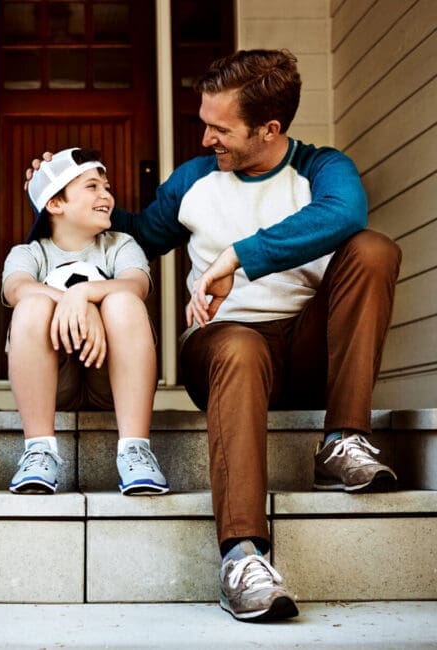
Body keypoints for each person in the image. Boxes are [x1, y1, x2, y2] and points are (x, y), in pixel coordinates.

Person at [26, 49, 400, 622]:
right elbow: (136, 233)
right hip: (222, 347)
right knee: (239, 345)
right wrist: (64, 196)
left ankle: (343, 439)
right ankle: (243, 557)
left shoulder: (324, 170)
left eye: (220, 128)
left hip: (307, 350)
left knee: (373, 249)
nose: (205, 139)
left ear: (269, 128)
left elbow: (346, 215)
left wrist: (239, 257)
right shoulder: (194, 181)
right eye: (205, 122)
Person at [2, 147, 169, 497]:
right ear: (55, 204)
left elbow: (136, 284)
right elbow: (17, 289)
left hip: (111, 380)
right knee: (32, 305)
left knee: (124, 301)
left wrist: (85, 295)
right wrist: (75, 302)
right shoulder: (29, 253)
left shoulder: (120, 245)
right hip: (54, 383)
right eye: (92, 186)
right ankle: (39, 449)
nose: (106, 195)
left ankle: (135, 450)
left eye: (106, 187)